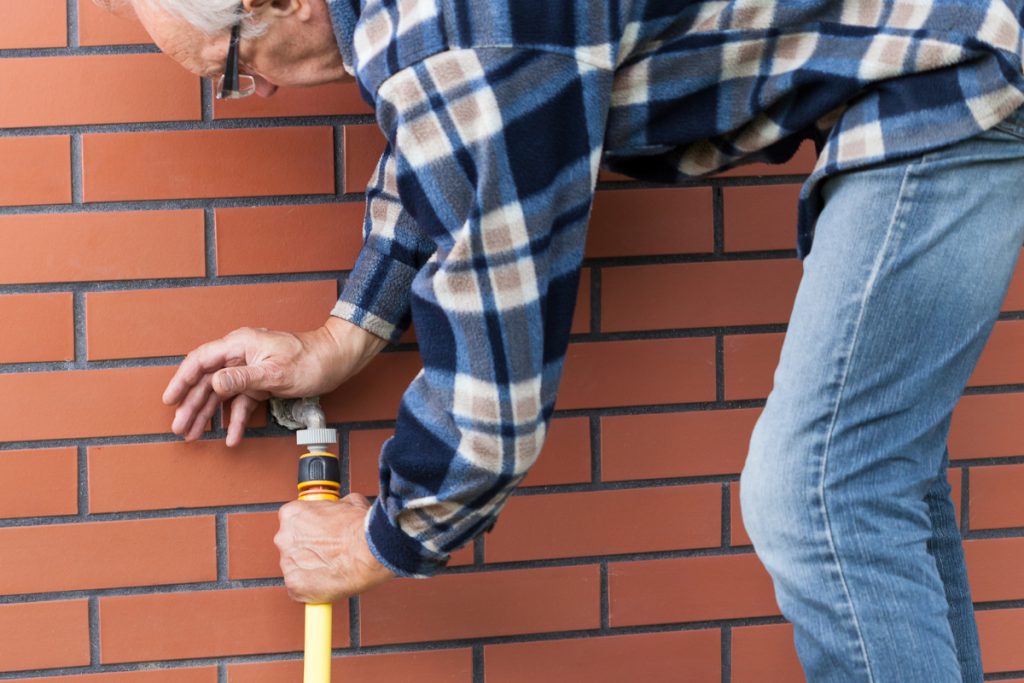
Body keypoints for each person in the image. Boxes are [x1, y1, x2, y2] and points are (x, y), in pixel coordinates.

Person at [100, 0, 1024, 680]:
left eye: (233, 70)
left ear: (280, 3)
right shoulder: (426, 31)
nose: (254, 92)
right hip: (948, 52)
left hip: (949, 68)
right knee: (863, 485)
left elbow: (496, 392)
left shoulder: (453, 42)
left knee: (814, 493)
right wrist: (344, 335)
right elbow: (449, 150)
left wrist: (381, 537)